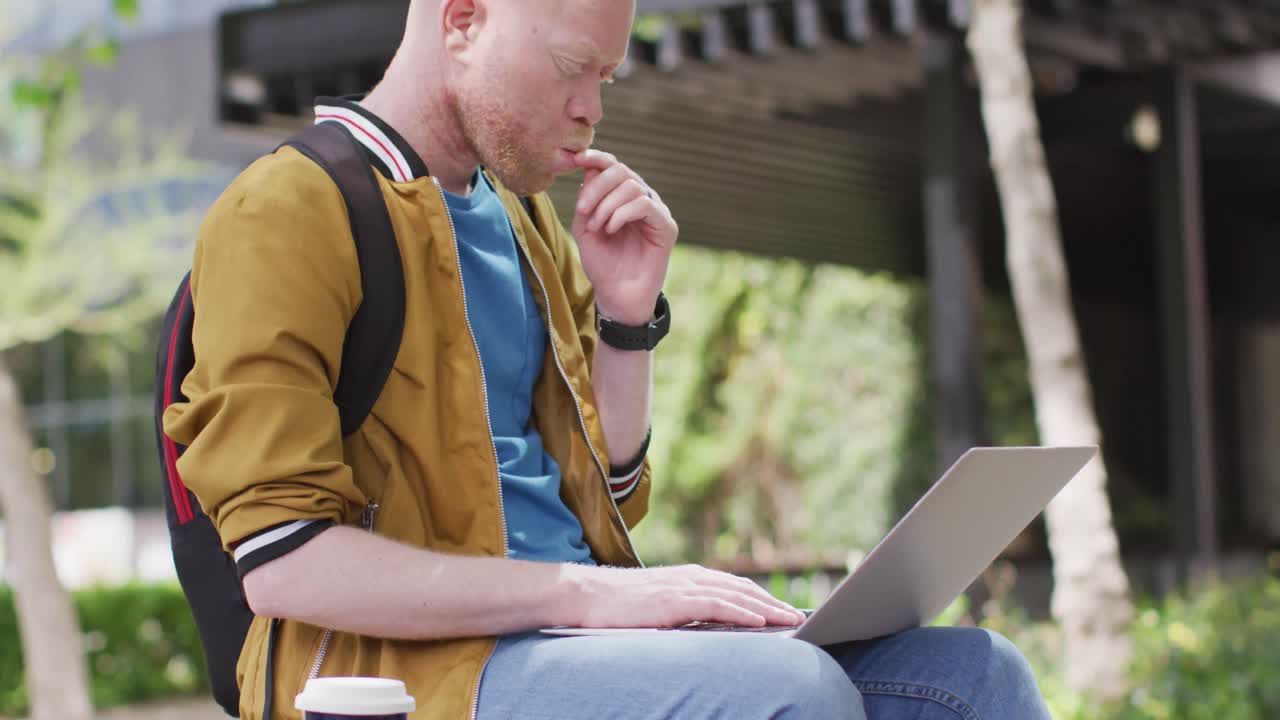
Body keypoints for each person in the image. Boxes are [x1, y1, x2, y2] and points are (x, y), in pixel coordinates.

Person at [162, 0, 1053, 718]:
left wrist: (627, 322)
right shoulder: (286, 210)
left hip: (571, 640)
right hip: (395, 670)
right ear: (462, 19)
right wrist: (591, 598)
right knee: (796, 692)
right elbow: (286, 564)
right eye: (570, 67)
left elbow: (609, 494)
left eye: (606, 76)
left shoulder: (524, 220)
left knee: (977, 675)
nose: (592, 107)